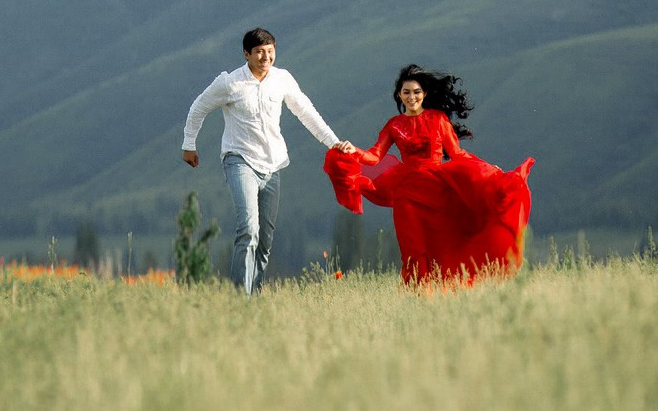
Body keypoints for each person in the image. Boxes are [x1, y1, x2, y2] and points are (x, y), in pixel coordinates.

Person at [323, 63, 534, 285]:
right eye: (406, 92)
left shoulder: (438, 119)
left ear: (424, 94)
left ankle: (443, 296)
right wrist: (352, 150)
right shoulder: (394, 125)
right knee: (413, 250)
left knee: (443, 245)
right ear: (399, 95)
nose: (411, 97)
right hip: (406, 194)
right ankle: (417, 297)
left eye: (416, 92)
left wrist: (489, 171)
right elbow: (374, 156)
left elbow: (456, 153)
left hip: (437, 191)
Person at [181, 27, 357, 293]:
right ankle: (241, 297)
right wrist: (188, 145)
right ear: (247, 54)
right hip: (239, 159)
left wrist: (334, 142)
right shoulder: (230, 83)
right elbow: (199, 107)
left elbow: (306, 111)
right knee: (248, 227)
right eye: (259, 52)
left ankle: (257, 293)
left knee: (265, 238)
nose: (266, 57)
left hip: (272, 164)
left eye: (270, 51)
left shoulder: (282, 79)